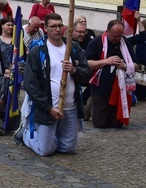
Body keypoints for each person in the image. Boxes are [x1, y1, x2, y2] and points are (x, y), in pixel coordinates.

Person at [16, 13, 91, 156]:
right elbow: (31, 84)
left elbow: (87, 74)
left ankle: (52, 136)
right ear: (45, 28)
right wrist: (47, 107)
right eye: (53, 26)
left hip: (70, 107)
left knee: (69, 149)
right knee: (45, 151)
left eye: (60, 26)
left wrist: (74, 70)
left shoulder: (73, 48)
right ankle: (26, 134)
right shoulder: (38, 50)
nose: (57, 29)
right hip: (48, 108)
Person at [85, 20, 136, 129]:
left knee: (116, 124)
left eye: (120, 36)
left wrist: (125, 66)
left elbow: (136, 65)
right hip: (100, 88)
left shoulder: (125, 43)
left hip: (119, 89)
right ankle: (90, 105)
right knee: (100, 124)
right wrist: (106, 61)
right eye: (114, 36)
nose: (117, 39)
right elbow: (87, 64)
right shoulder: (96, 43)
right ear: (107, 31)